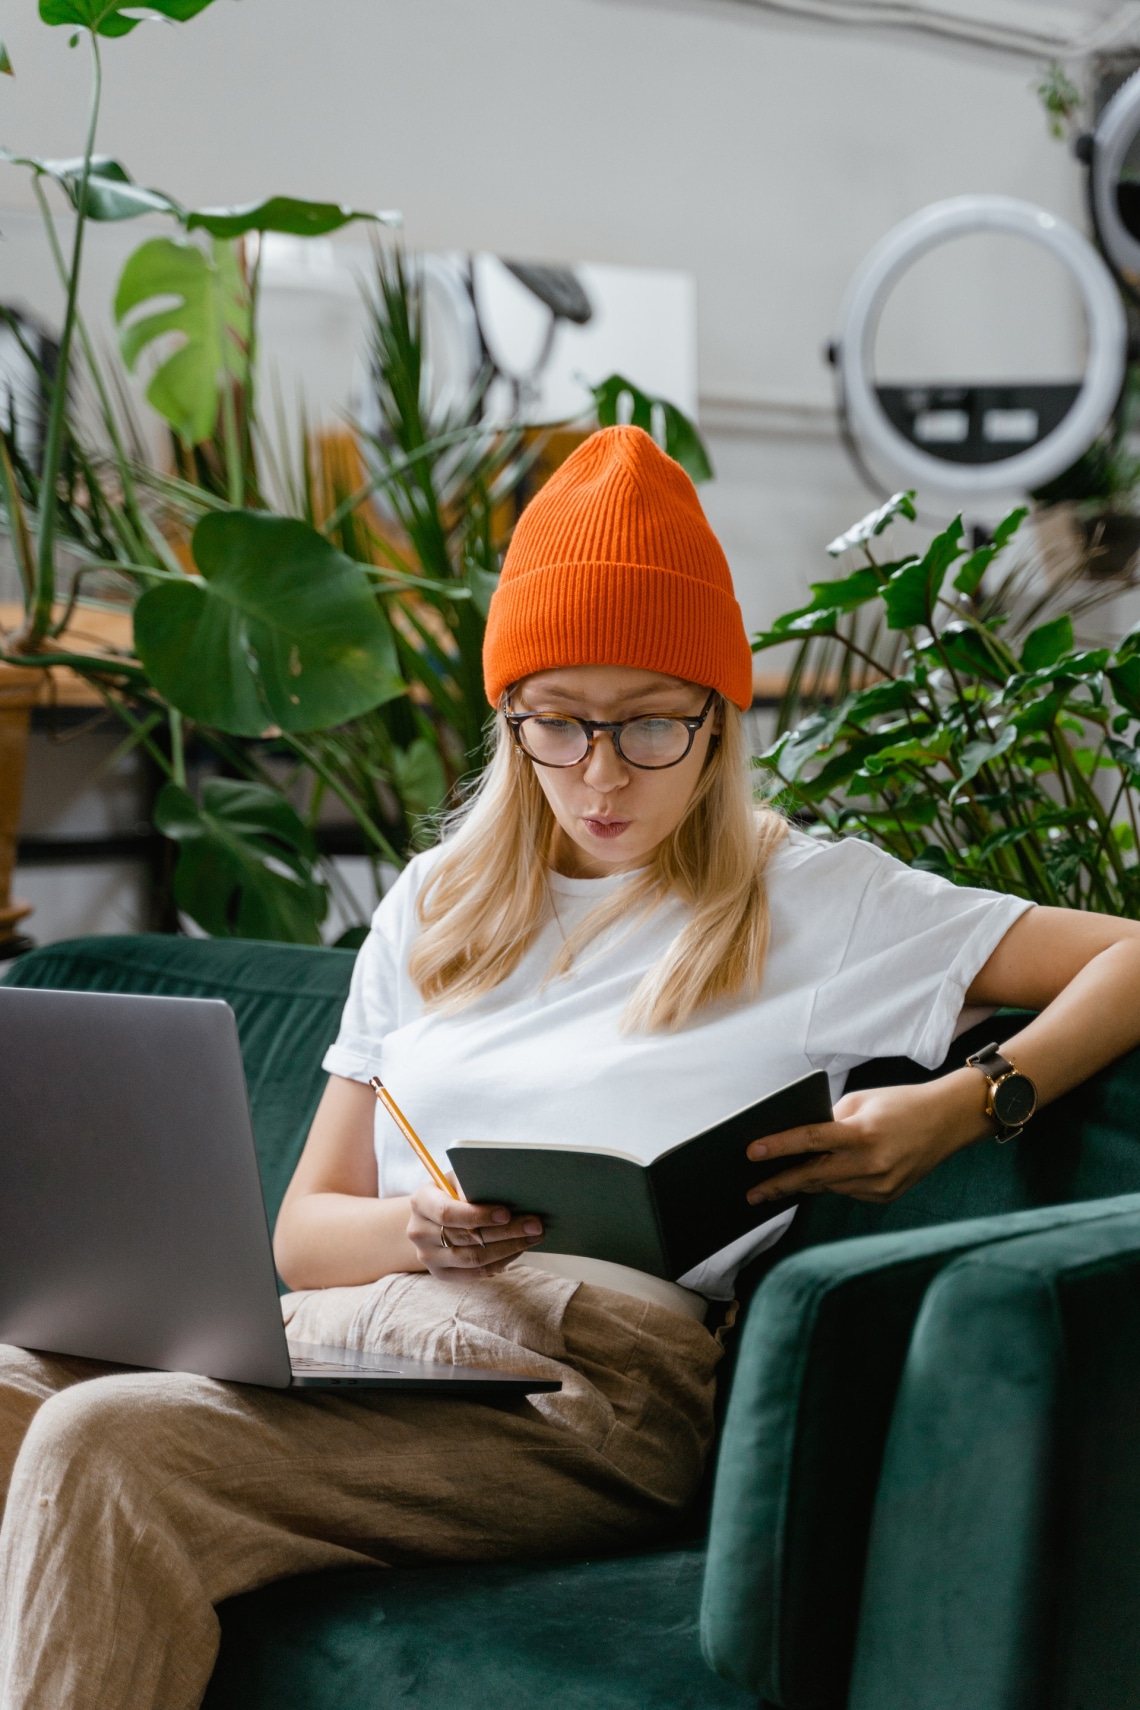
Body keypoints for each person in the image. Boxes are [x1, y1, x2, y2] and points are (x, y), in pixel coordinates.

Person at [2, 425, 1140, 1710]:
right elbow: (307, 1234)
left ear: (718, 720)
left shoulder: (819, 901)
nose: (600, 774)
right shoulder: (432, 904)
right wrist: (419, 1231)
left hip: (586, 1388)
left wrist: (970, 1102)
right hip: (354, 1340)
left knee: (106, 1442)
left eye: (650, 724)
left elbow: (1131, 957)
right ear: (510, 720)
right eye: (558, 723)